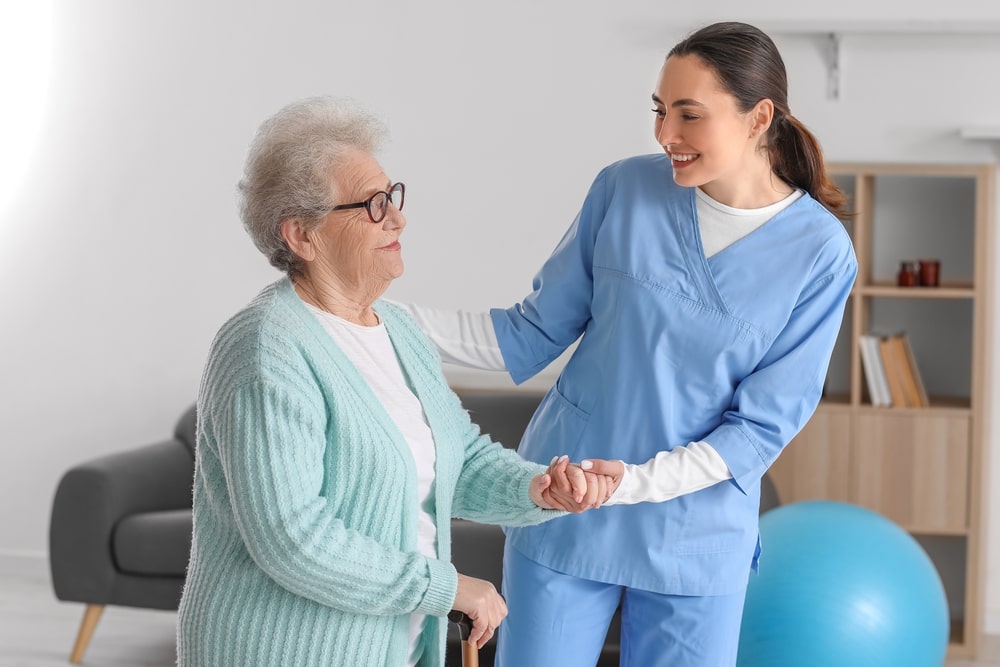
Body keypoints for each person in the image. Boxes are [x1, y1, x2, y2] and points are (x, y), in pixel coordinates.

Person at [394, 21, 858, 667]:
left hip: (695, 532)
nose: (667, 134)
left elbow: (759, 429)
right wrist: (375, 312)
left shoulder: (819, 253)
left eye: (689, 114)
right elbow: (528, 333)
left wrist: (634, 482)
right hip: (566, 499)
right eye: (660, 111)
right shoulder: (624, 189)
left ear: (759, 118)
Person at [175, 96, 610, 667]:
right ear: (302, 235)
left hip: (393, 648)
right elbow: (292, 538)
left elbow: (460, 459)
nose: (398, 219)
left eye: (393, 197)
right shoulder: (265, 347)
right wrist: (448, 588)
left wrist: (538, 489)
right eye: (372, 206)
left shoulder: (397, 329)